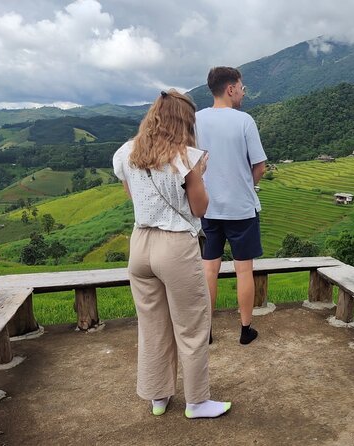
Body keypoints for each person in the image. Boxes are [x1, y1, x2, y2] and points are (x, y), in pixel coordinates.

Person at [113, 89, 231, 419]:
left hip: (140, 244)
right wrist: (199, 177)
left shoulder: (126, 153)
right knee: (192, 325)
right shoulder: (187, 158)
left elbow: (133, 198)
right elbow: (200, 207)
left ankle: (158, 396)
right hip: (176, 245)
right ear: (185, 122)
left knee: (152, 325)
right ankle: (197, 402)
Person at [196, 67, 267, 345]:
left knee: (209, 269)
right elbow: (259, 166)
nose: (243, 92)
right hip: (241, 209)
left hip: (208, 208)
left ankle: (207, 332)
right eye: (242, 87)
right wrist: (244, 186)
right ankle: (245, 329)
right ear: (230, 89)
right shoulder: (244, 121)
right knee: (243, 270)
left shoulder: (195, 120)